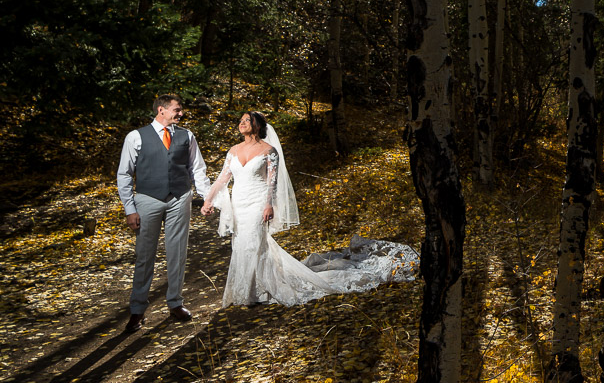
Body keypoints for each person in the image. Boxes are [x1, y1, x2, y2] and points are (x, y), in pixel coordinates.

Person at [202, 111, 418, 305]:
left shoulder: (269, 151)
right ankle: (243, 289)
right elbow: (222, 179)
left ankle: (260, 288)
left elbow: (272, 182)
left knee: (254, 242)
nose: (242, 123)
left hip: (258, 202)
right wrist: (208, 200)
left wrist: (269, 204)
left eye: (247, 120)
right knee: (240, 243)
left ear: (257, 125)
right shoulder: (233, 150)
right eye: (240, 121)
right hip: (239, 203)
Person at [116, 94, 213, 332]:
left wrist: (207, 197)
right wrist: (130, 209)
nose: (181, 114)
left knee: (177, 253)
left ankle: (175, 303)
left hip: (179, 198)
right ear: (162, 110)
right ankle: (137, 310)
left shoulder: (187, 136)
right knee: (144, 256)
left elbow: (197, 169)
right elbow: (124, 174)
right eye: (177, 110)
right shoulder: (136, 137)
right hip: (147, 199)